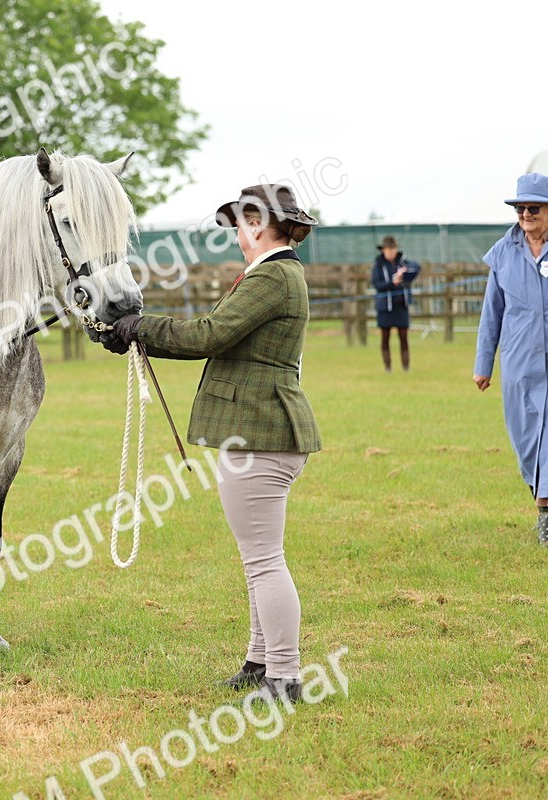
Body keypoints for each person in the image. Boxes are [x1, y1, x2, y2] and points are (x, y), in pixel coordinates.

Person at [100, 184, 322, 703]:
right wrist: (135, 333)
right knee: (257, 558)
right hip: (263, 431)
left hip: (261, 432)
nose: (238, 236)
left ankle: (284, 677)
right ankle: (260, 662)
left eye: (241, 225)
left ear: (259, 224)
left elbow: (210, 334)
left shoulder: (273, 276)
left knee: (264, 560)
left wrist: (140, 327)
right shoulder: (276, 273)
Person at [473, 172, 548, 545]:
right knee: (525, 437)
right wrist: (483, 365)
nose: (526, 215)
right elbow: (492, 313)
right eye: (521, 209)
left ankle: (545, 513)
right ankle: (540, 495)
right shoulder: (503, 253)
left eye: (534, 208)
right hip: (519, 361)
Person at [371, 234, 421, 372]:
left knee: (404, 337)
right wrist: (392, 283)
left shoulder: (403, 262)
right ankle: (388, 368)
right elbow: (376, 284)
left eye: (393, 249)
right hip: (385, 307)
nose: (391, 252)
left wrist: (405, 272)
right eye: (388, 249)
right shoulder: (378, 265)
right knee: (385, 338)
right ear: (383, 250)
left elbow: (416, 267)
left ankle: (406, 368)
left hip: (401, 306)